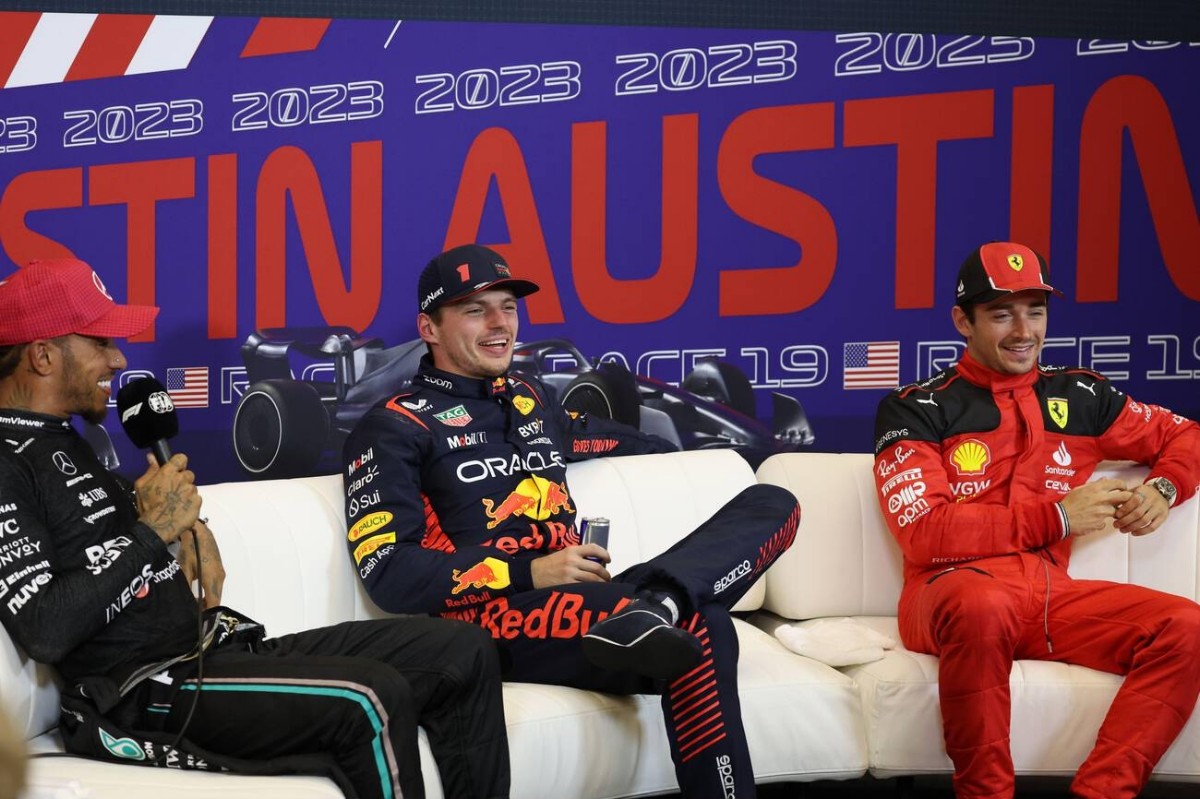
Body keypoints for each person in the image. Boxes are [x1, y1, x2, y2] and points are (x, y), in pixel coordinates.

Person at [0, 258, 510, 799]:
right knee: (369, 698)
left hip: (210, 650)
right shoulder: (7, 460)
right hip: (141, 687)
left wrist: (189, 529)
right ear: (43, 354)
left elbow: (111, 539)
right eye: (101, 341)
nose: (118, 357)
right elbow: (46, 625)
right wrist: (151, 534)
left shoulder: (69, 441)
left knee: (463, 650)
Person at [342, 243, 801, 799]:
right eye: (475, 309)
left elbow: (609, 438)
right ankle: (660, 610)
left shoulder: (533, 400)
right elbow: (389, 573)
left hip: (590, 599)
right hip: (491, 618)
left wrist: (670, 449)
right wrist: (530, 572)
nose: (499, 323)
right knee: (706, 628)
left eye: (508, 306)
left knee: (775, 501)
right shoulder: (393, 428)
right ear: (429, 328)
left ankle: (660, 603)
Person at [872, 241, 1200, 799]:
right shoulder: (916, 407)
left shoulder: (1080, 396)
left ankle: (1102, 793)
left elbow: (1185, 434)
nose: (1024, 331)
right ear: (963, 321)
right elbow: (924, 532)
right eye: (1002, 314)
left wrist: (1165, 488)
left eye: (1036, 311)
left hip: (1051, 598)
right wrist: (1056, 516)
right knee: (984, 605)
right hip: (950, 592)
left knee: (1187, 629)